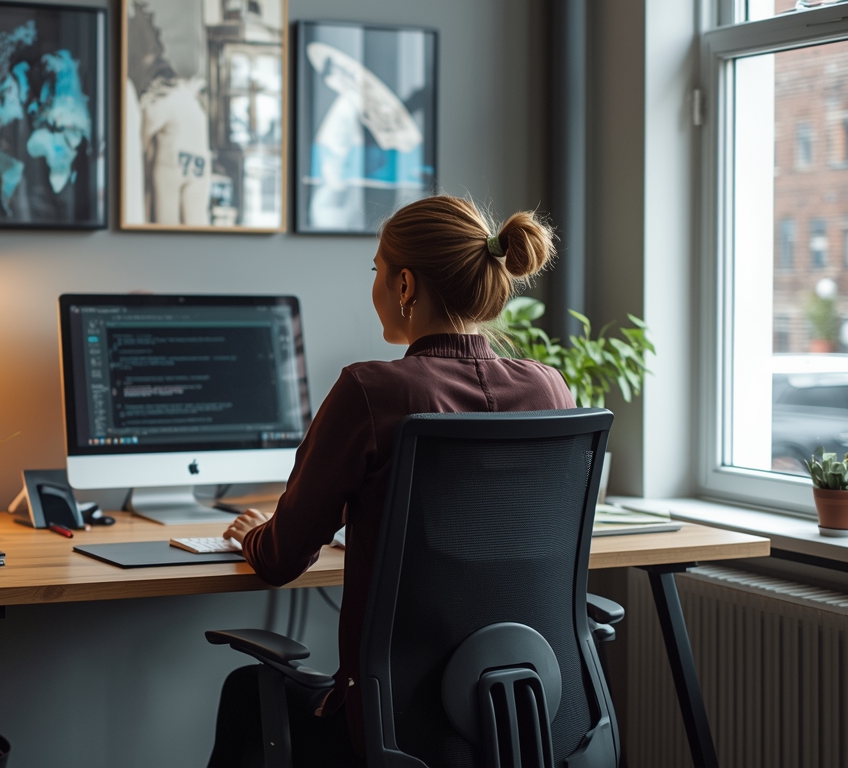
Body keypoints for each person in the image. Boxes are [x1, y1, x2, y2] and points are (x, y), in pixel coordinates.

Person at [207, 195, 575, 767]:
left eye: (376, 272)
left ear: (405, 286)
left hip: (396, 733)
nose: (374, 287)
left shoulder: (372, 392)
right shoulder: (549, 389)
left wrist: (253, 532)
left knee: (245, 693)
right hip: (528, 721)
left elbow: (280, 560)